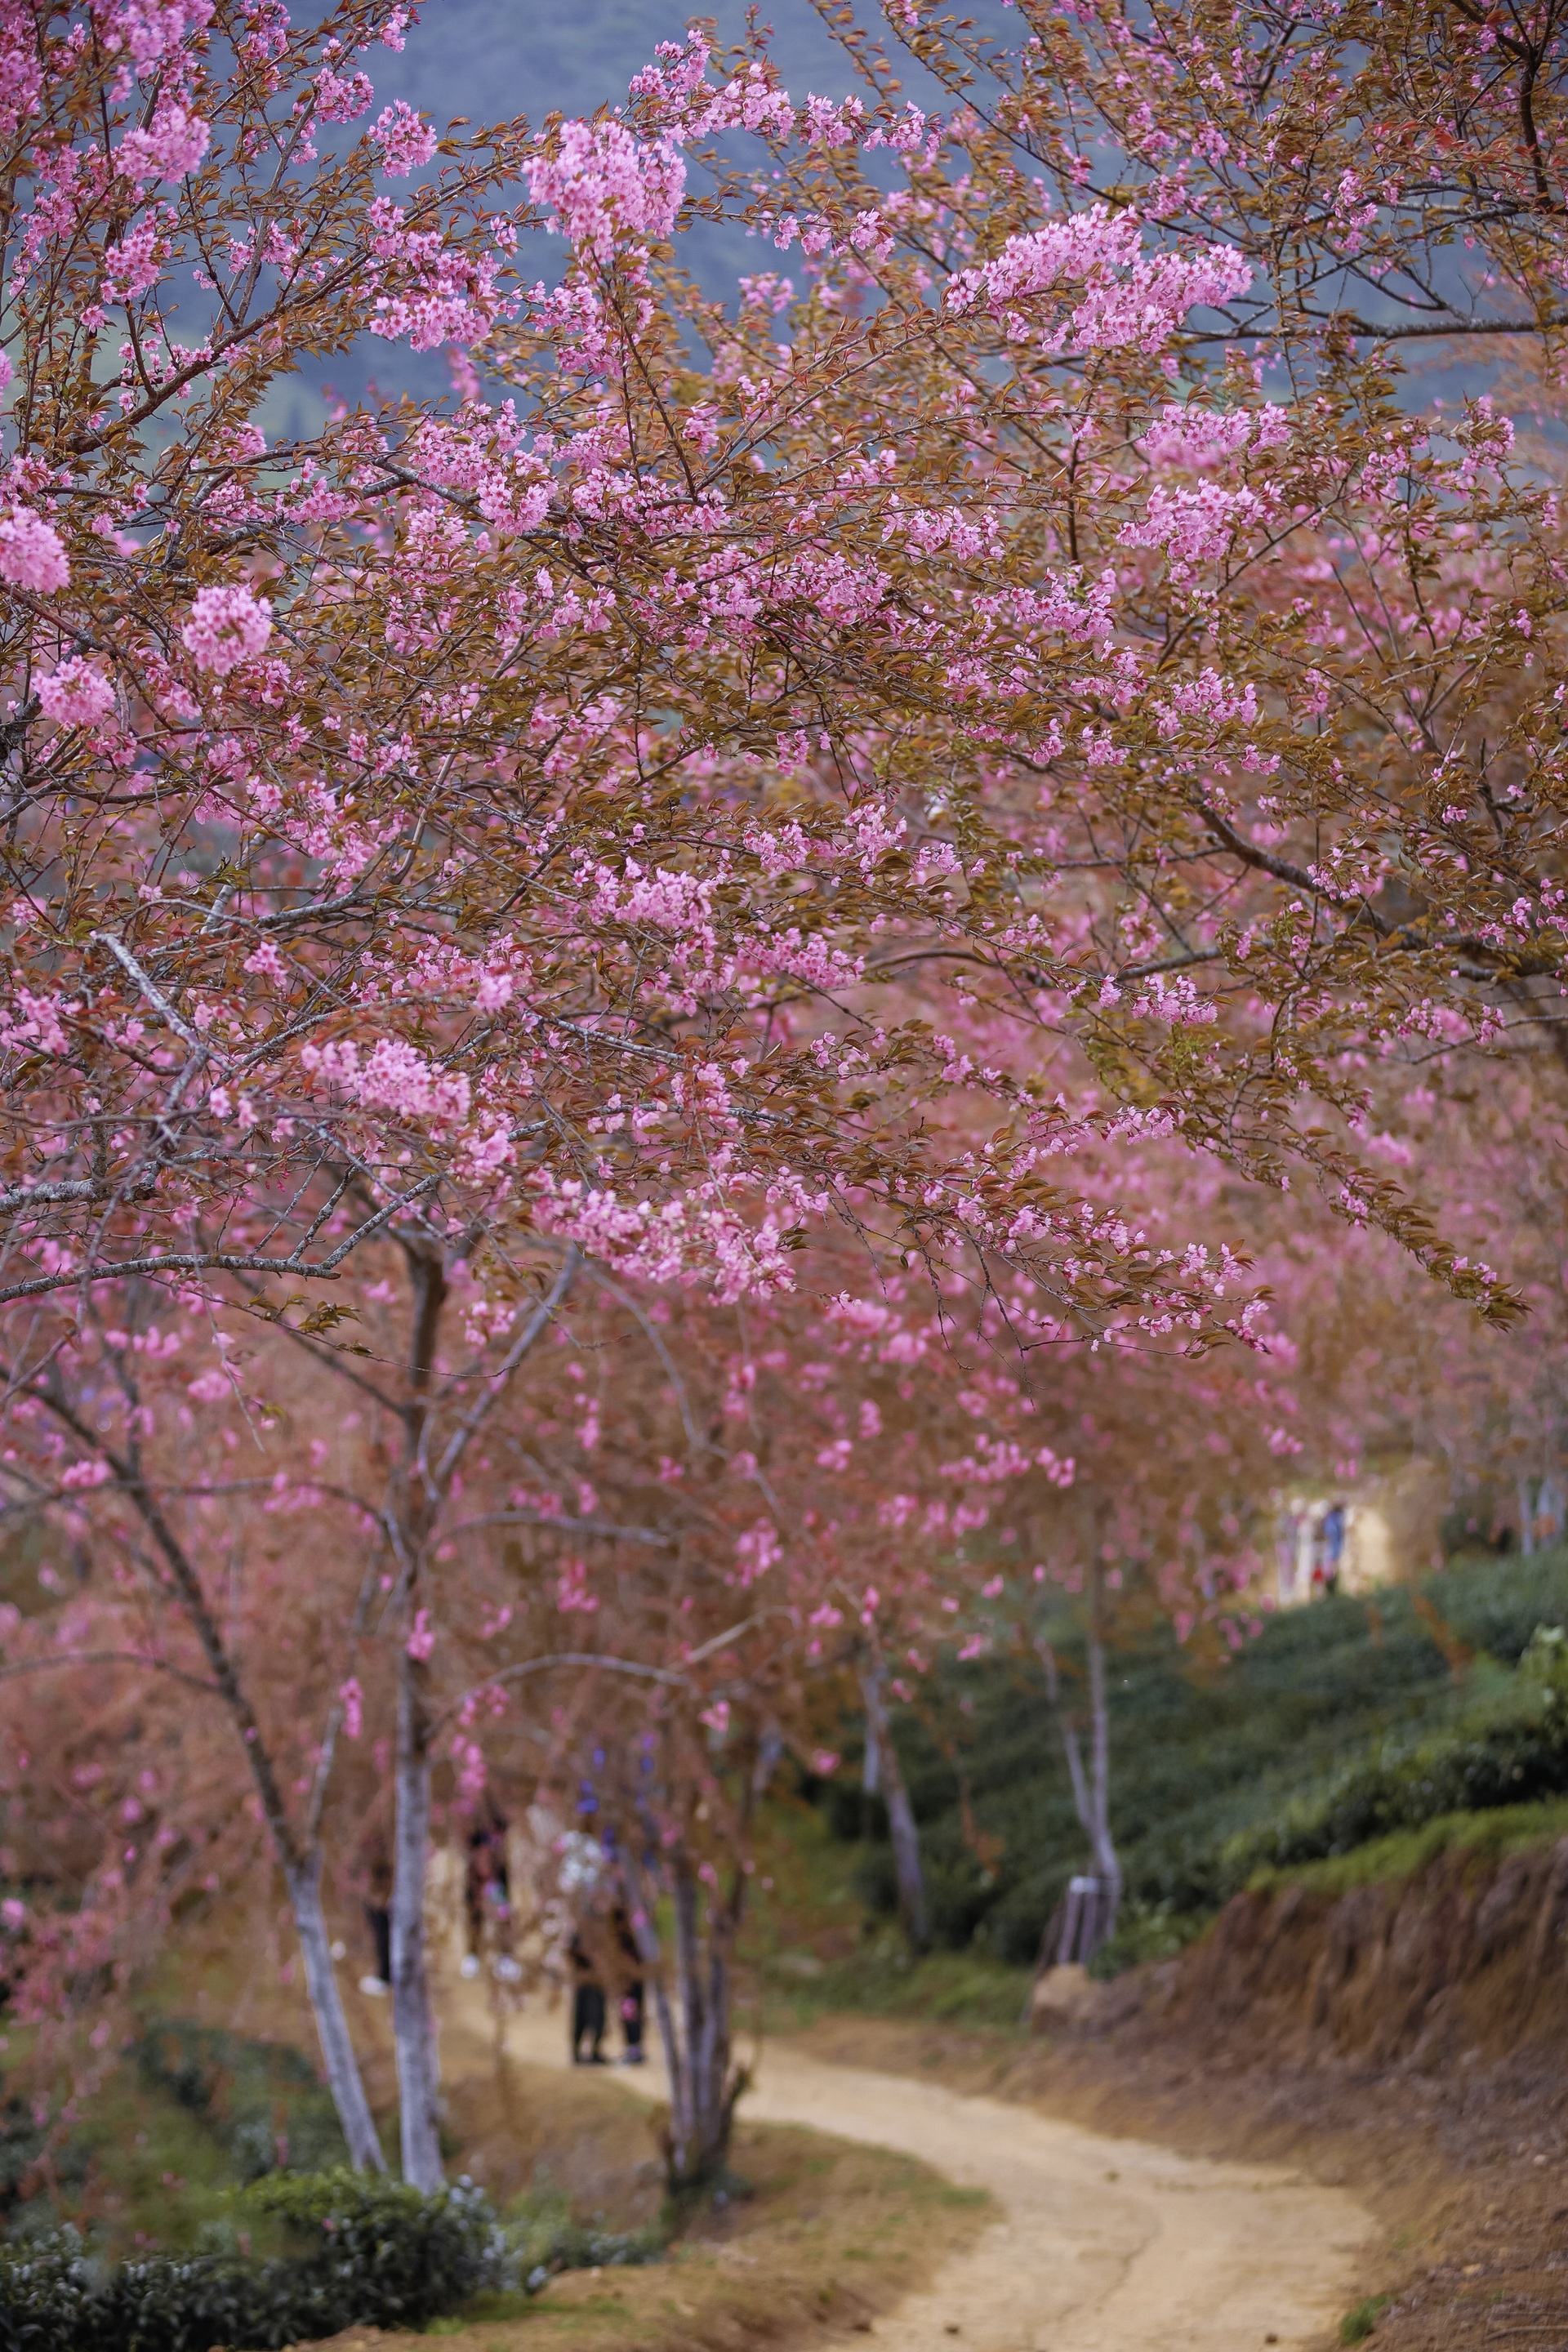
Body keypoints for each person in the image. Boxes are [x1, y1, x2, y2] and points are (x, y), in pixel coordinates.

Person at [611, 1905, 645, 2065]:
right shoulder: (627, 1938)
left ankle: (634, 2049)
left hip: (631, 1984)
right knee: (630, 2016)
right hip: (630, 1983)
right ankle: (633, 2049)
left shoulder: (627, 1939)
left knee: (632, 2017)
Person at [568, 1931, 606, 2063]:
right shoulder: (579, 1935)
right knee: (580, 2021)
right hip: (584, 1988)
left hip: (596, 1987)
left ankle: (594, 2052)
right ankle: (577, 2053)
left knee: (597, 2022)